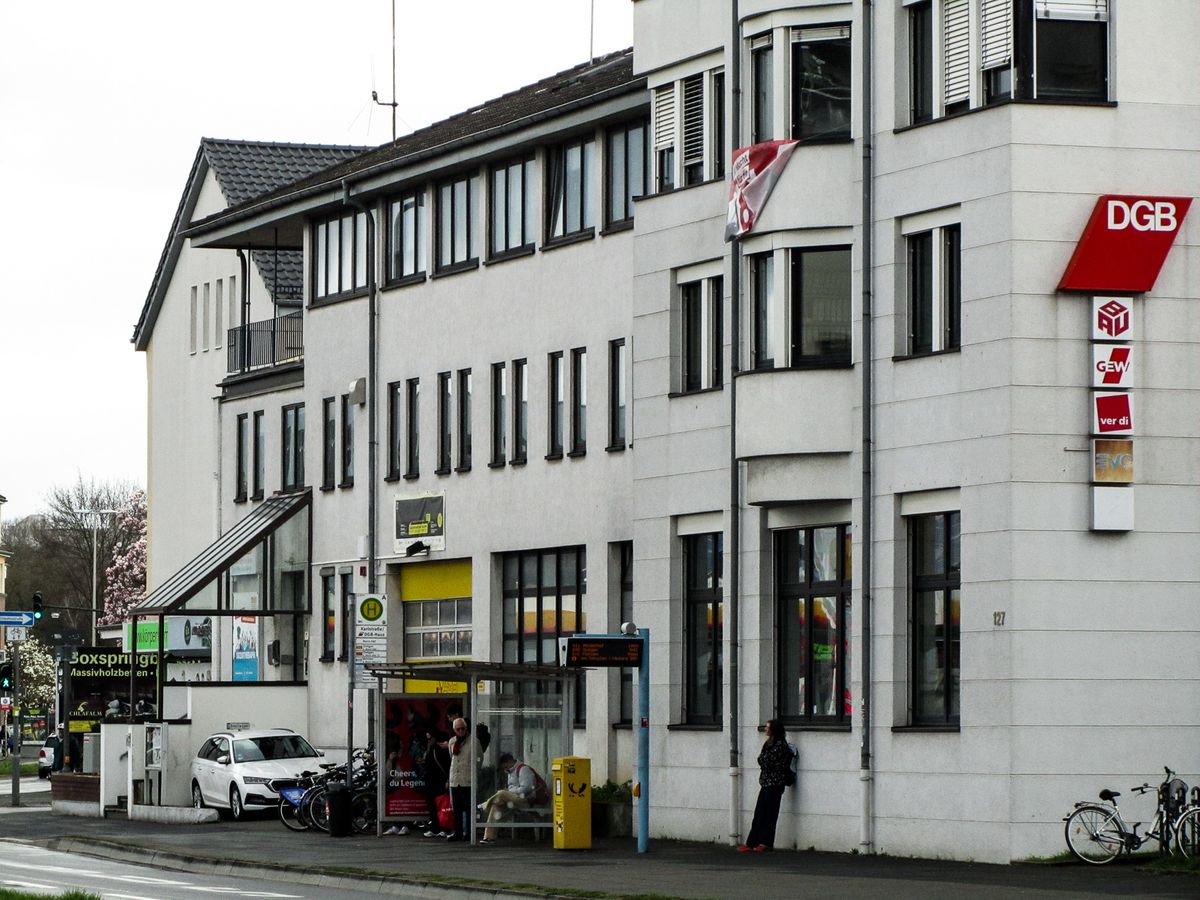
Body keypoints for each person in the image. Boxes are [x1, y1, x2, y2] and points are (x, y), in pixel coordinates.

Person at [739, 719, 795, 852]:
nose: (765, 729)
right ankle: (752, 842)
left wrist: (765, 761)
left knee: (770, 814)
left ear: (774, 730)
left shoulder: (780, 745)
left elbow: (769, 761)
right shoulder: (769, 743)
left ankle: (766, 842)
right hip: (766, 782)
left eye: (768, 727)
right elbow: (762, 759)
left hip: (775, 783)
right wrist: (765, 761)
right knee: (759, 813)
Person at [479, 752, 537, 842]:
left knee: (501, 793)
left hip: (525, 800)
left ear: (510, 761)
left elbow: (527, 788)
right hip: (512, 800)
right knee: (495, 806)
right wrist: (509, 792)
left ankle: (485, 805)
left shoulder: (523, 769)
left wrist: (510, 792)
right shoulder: (510, 772)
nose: (505, 770)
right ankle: (489, 837)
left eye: (506, 767)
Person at [443, 717, 473, 842]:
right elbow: (452, 758)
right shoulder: (452, 742)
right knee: (457, 808)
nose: (461, 731)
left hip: (468, 779)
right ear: (454, 730)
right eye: (458, 729)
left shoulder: (473, 741)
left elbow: (478, 760)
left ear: (466, 728)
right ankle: (458, 831)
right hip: (455, 779)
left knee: (468, 807)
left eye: (463, 728)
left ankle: (469, 832)